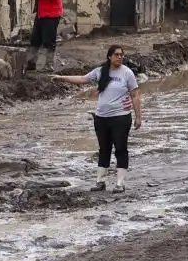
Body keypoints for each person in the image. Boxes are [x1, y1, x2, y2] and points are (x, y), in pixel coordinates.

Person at [54, 45, 142, 192]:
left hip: (120, 117)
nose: (119, 57)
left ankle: (120, 183)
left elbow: (135, 95)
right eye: (116, 54)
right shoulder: (100, 71)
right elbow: (82, 79)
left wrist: (138, 117)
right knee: (104, 149)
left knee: (121, 149)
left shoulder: (127, 73)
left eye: (121, 55)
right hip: (101, 118)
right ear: (109, 56)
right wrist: (62, 78)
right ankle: (100, 181)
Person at [29, 0, 65, 73]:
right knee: (35, 39)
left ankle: (49, 65)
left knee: (48, 41)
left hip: (51, 15)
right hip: (41, 14)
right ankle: (31, 63)